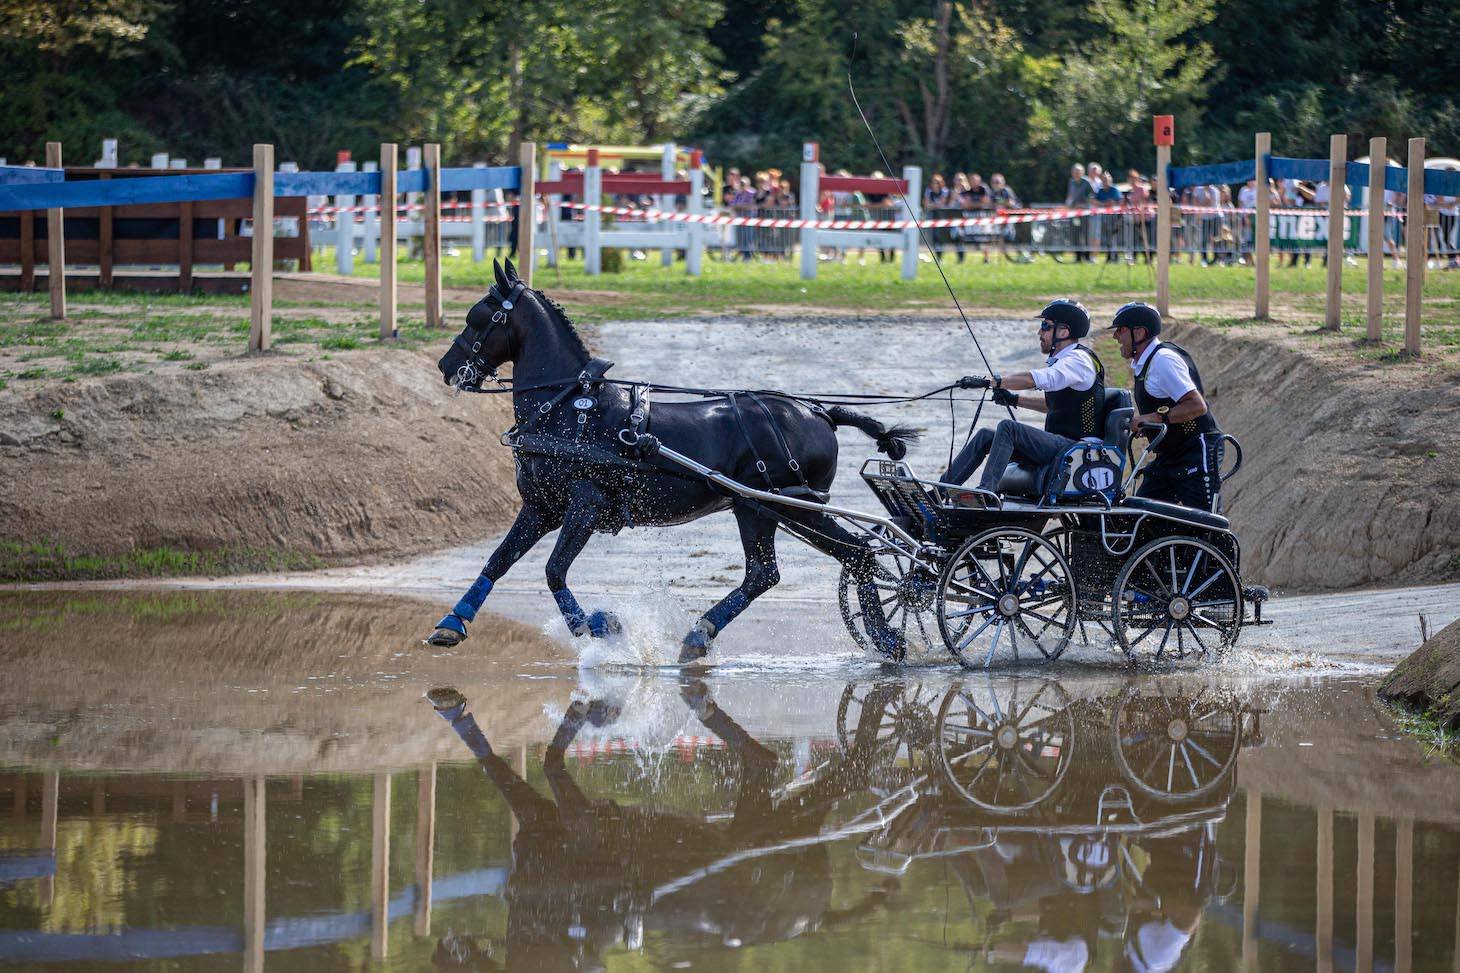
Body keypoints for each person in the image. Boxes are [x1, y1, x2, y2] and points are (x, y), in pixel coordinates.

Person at [941, 299, 1105, 496]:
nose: (1039, 333)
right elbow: (1052, 406)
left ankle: (986, 493)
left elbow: (1032, 380)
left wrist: (992, 382)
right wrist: (1013, 400)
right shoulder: (1065, 361)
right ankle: (941, 491)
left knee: (1009, 428)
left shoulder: (1078, 361)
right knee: (986, 436)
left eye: (1045, 326)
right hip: (1062, 445)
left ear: (1063, 332)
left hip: (1078, 449)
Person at [1106, 302, 1224, 512]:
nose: (1116, 336)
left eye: (1120, 329)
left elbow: (1197, 406)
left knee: (1206, 525)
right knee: (1138, 516)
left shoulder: (1163, 361)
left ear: (1140, 332)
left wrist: (1155, 418)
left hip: (1196, 450)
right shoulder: (1146, 362)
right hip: (1171, 455)